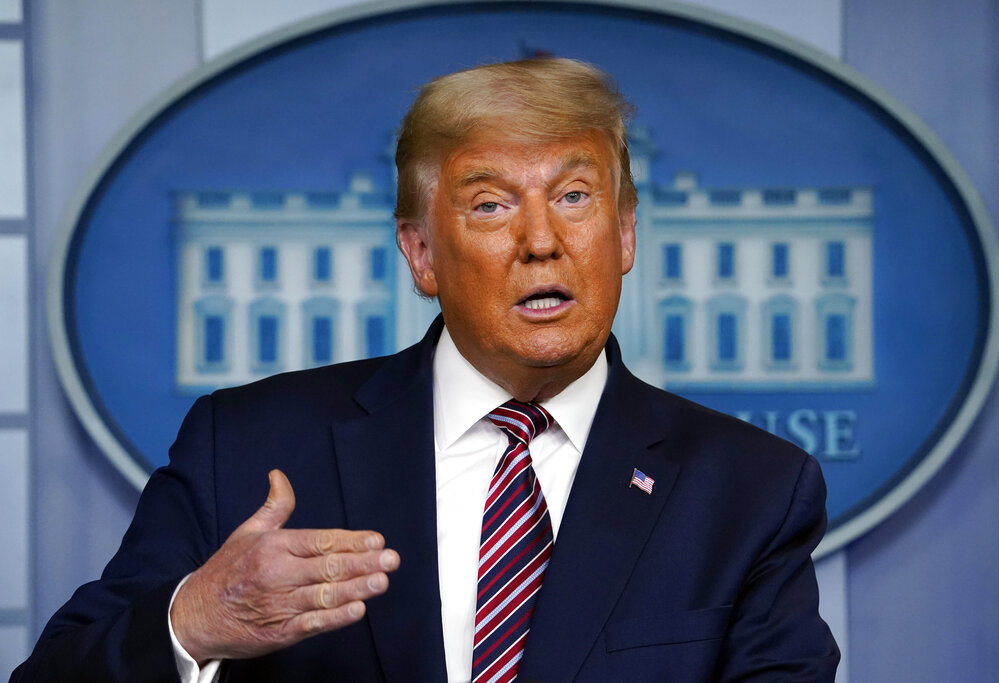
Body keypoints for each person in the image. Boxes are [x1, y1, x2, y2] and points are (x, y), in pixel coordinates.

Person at [14, 58, 839, 682]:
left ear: (625, 236)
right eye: (490, 204)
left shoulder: (751, 490)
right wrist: (193, 620)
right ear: (420, 253)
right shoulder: (251, 446)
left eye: (576, 197)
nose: (542, 239)